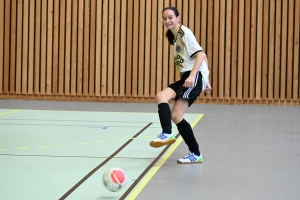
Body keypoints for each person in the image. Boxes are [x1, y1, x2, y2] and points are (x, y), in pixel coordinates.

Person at [149, 6, 212, 164]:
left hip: (193, 75)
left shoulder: (184, 32)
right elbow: (203, 58)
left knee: (174, 111)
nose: (167, 21)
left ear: (178, 18)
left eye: (170, 17)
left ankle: (169, 134)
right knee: (164, 99)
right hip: (189, 75)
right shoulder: (174, 36)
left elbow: (201, 54)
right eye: (164, 18)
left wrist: (196, 77)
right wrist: (207, 80)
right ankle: (192, 151)